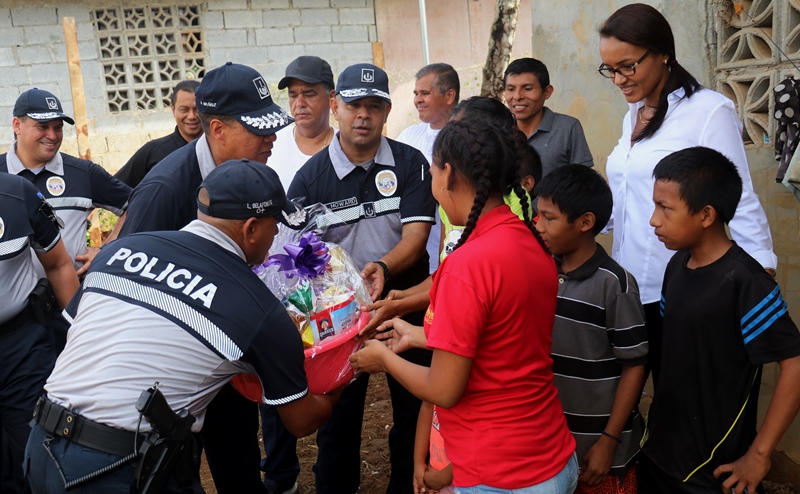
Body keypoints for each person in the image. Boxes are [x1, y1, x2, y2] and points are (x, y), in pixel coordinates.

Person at [23, 159, 339, 494]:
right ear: (250, 229)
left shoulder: (118, 250)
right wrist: (339, 379)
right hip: (113, 469)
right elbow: (301, 420)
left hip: (41, 446)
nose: (276, 235)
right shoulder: (257, 307)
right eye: (274, 224)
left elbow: (75, 329)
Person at [350, 118, 577, 493]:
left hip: (503, 475)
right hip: (551, 452)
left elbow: (443, 390)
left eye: (433, 171)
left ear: (449, 174)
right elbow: (499, 343)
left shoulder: (468, 264)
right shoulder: (529, 241)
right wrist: (418, 334)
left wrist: (384, 359)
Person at [117, 62, 295, 494]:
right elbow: (126, 283)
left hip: (226, 364)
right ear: (217, 129)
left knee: (239, 466)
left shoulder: (253, 175)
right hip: (167, 378)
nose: (272, 139)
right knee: (175, 473)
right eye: (259, 130)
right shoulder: (165, 190)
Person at [598, 3, 777, 389]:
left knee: (681, 393)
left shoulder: (708, 110)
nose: (618, 79)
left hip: (680, 286)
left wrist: (761, 272)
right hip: (628, 286)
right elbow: (627, 195)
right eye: (609, 69)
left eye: (627, 66)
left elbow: (739, 195)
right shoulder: (633, 115)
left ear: (663, 53)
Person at [288, 63, 435, 494]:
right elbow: (299, 255)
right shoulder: (310, 178)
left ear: (387, 111)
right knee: (338, 414)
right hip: (339, 316)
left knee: (412, 406)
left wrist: (383, 268)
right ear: (336, 106)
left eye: (374, 106)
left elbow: (416, 236)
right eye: (354, 105)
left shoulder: (410, 164)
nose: (363, 115)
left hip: (403, 303)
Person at [640, 146, 800, 494]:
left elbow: (795, 364)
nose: (654, 220)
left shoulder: (746, 282)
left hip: (711, 470)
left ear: (706, 215)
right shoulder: (676, 265)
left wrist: (760, 455)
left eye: (665, 208)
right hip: (659, 452)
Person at [534, 164, 647, 493]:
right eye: (538, 215)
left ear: (585, 222)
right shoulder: (540, 271)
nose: (538, 225)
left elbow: (634, 366)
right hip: (549, 446)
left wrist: (608, 441)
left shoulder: (616, 285)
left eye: (549, 218)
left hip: (600, 452)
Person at [0, 172, 79, 493]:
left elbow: (58, 265)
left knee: (38, 453)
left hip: (22, 347)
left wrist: (81, 336)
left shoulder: (15, 193)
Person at [1, 88, 131, 277]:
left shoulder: (83, 173)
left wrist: (106, 251)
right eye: (42, 127)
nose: (52, 136)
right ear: (17, 125)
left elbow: (137, 205)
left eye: (58, 128)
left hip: (75, 290)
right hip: (13, 297)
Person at [396, 63, 460, 275]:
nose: (417, 100)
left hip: (454, 252)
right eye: (416, 94)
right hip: (414, 256)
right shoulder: (408, 137)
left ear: (449, 96)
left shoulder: (466, 139)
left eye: (425, 93)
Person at [503, 57, 594, 177]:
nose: (517, 96)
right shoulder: (500, 131)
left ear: (547, 92)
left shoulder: (567, 128)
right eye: (511, 89)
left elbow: (583, 181)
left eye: (527, 89)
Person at [114, 80, 203, 188]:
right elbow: (115, 188)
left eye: (197, 109)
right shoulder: (153, 151)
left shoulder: (217, 149)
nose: (191, 116)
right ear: (173, 110)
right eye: (184, 110)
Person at [269, 55, 336, 191]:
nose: (299, 103)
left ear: (331, 97)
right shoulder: (271, 146)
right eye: (293, 95)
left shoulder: (345, 147)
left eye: (309, 94)